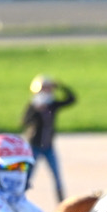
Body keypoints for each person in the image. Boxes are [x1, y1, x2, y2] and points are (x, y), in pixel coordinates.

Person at [21, 74, 76, 203]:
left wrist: (61, 86)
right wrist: (36, 112)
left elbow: (71, 99)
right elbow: (24, 121)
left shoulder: (52, 105)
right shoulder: (33, 105)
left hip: (48, 147)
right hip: (34, 146)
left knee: (57, 176)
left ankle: (61, 203)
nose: (48, 91)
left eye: (49, 88)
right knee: (28, 175)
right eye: (45, 88)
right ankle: (20, 199)